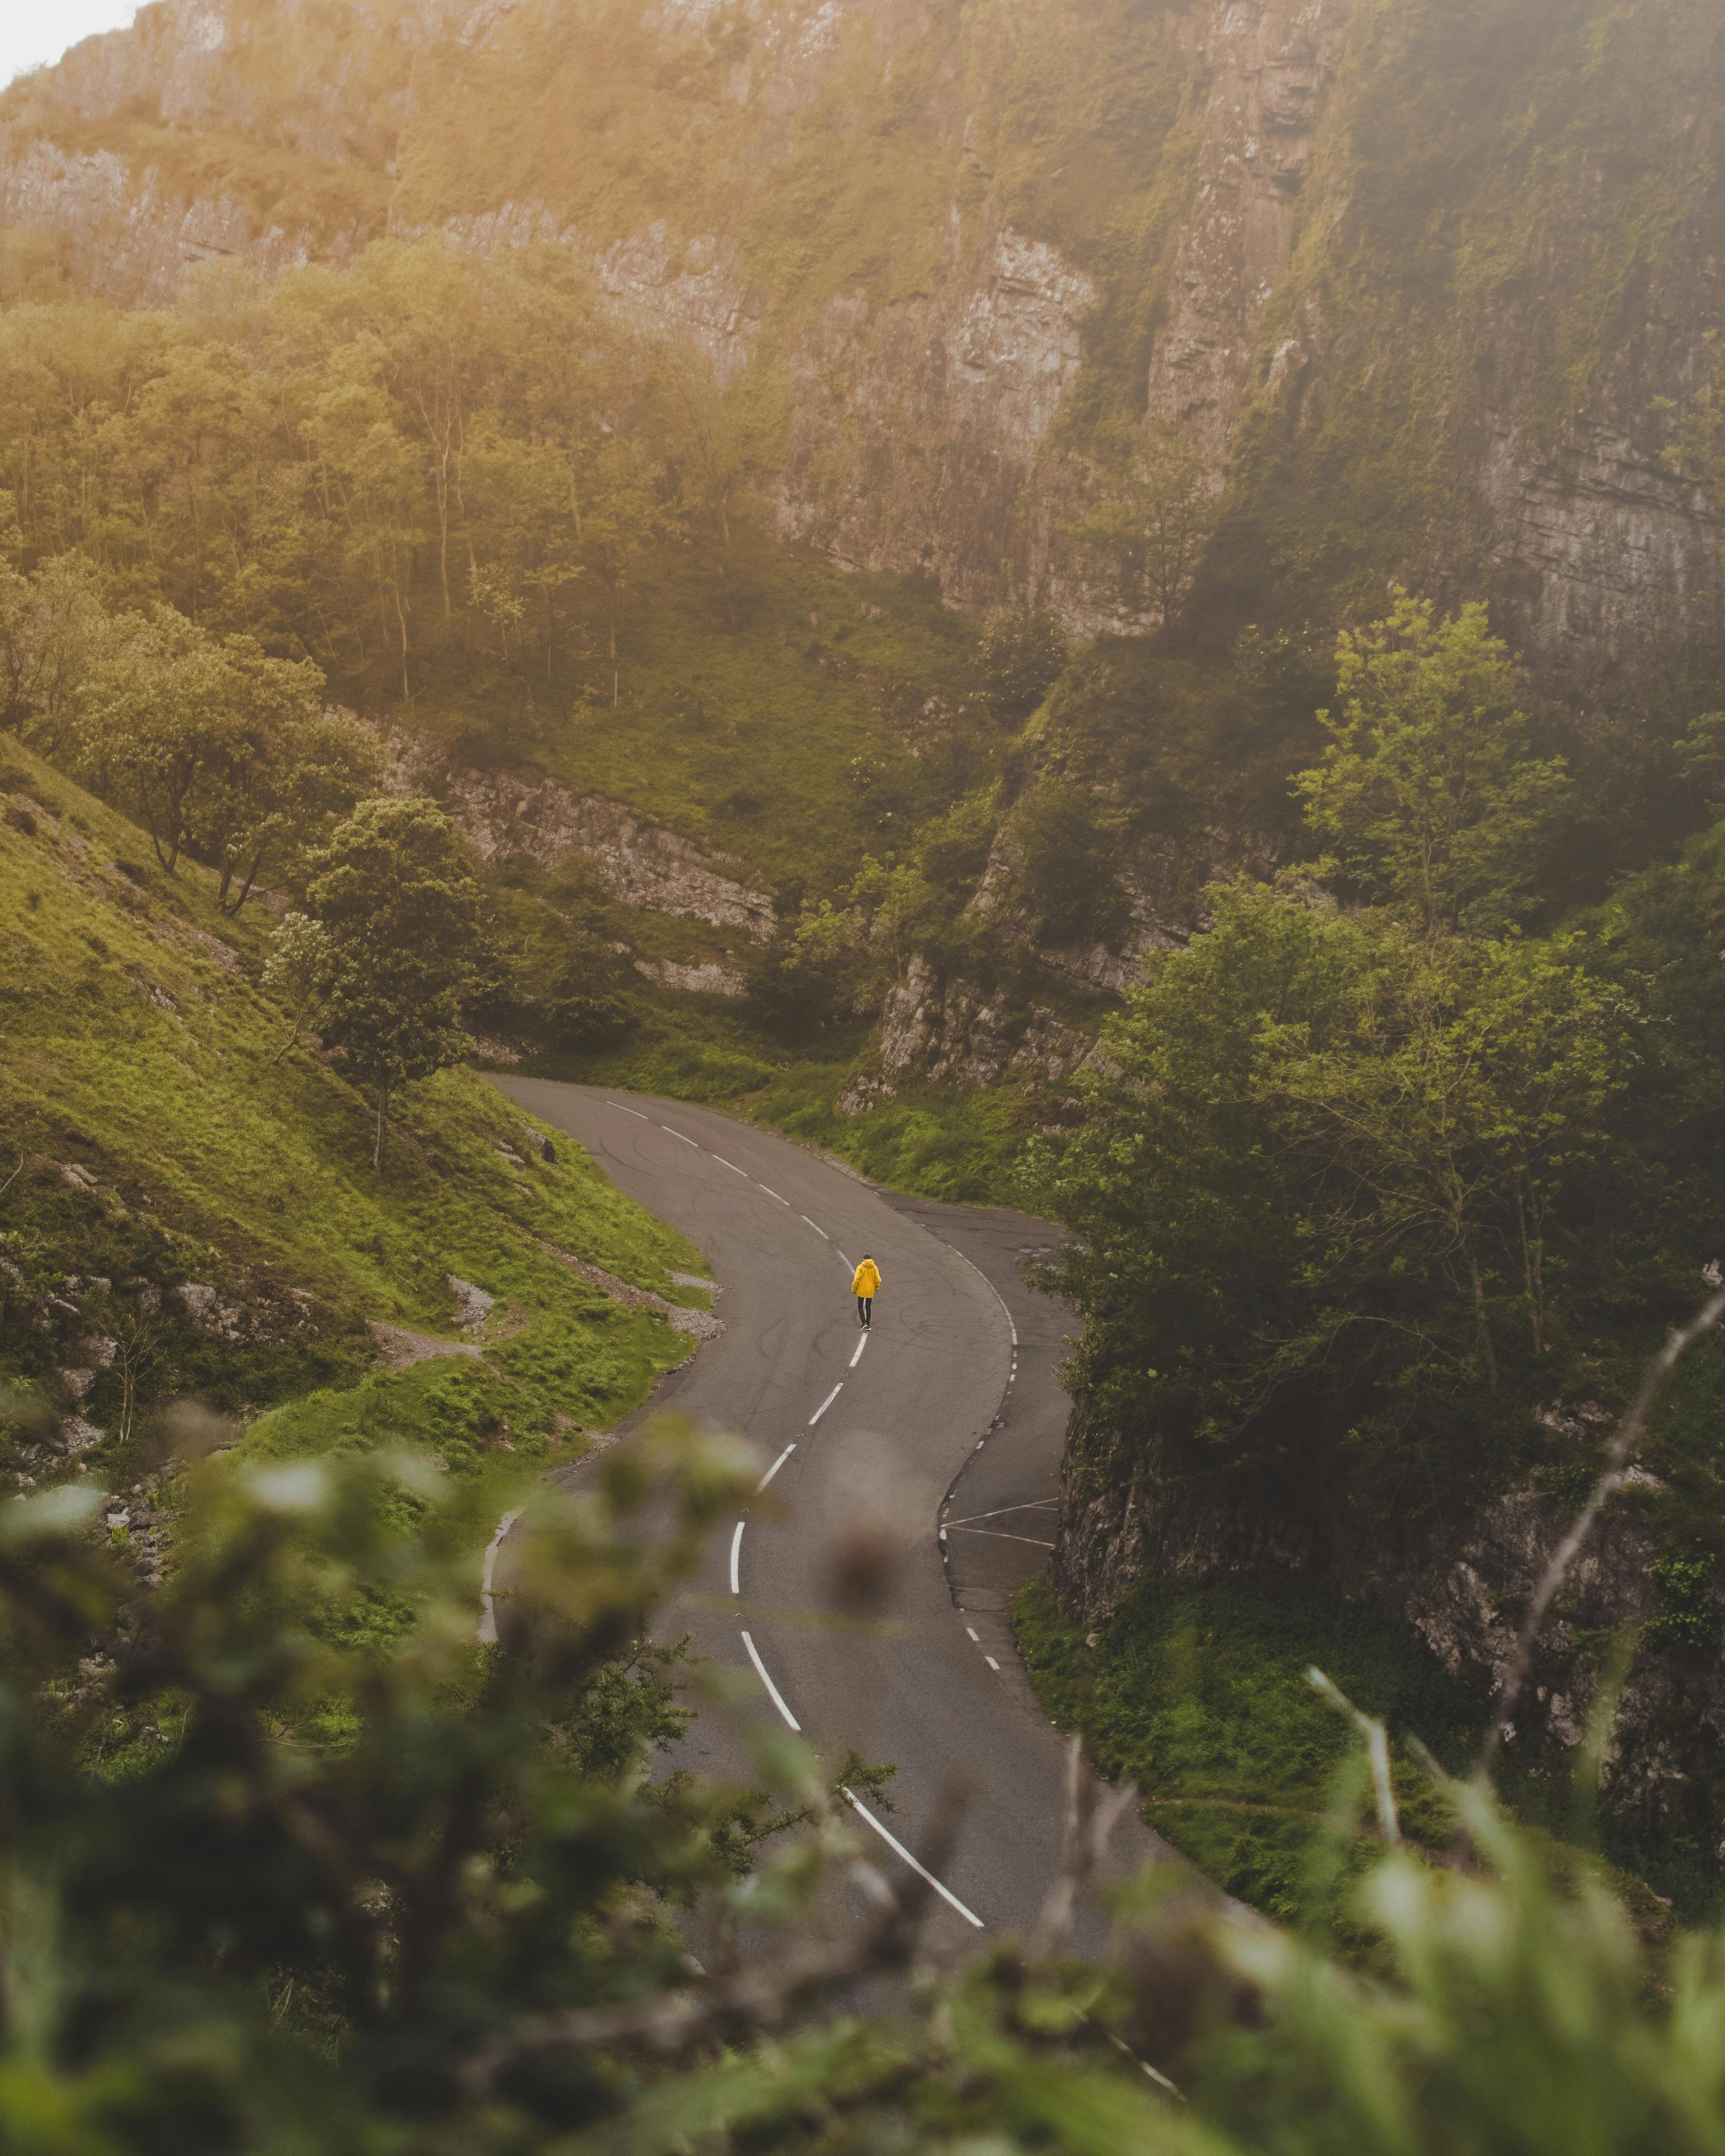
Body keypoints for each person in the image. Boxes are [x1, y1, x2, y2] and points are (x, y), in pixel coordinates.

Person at [852, 1254, 881, 1330]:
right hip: (870, 1290)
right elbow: (878, 1279)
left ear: (863, 1259)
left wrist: (854, 1289)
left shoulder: (860, 1267)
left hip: (861, 1290)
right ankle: (868, 1325)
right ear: (870, 1259)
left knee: (860, 1306)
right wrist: (877, 1287)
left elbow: (856, 1280)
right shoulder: (875, 1268)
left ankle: (863, 1323)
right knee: (868, 1307)